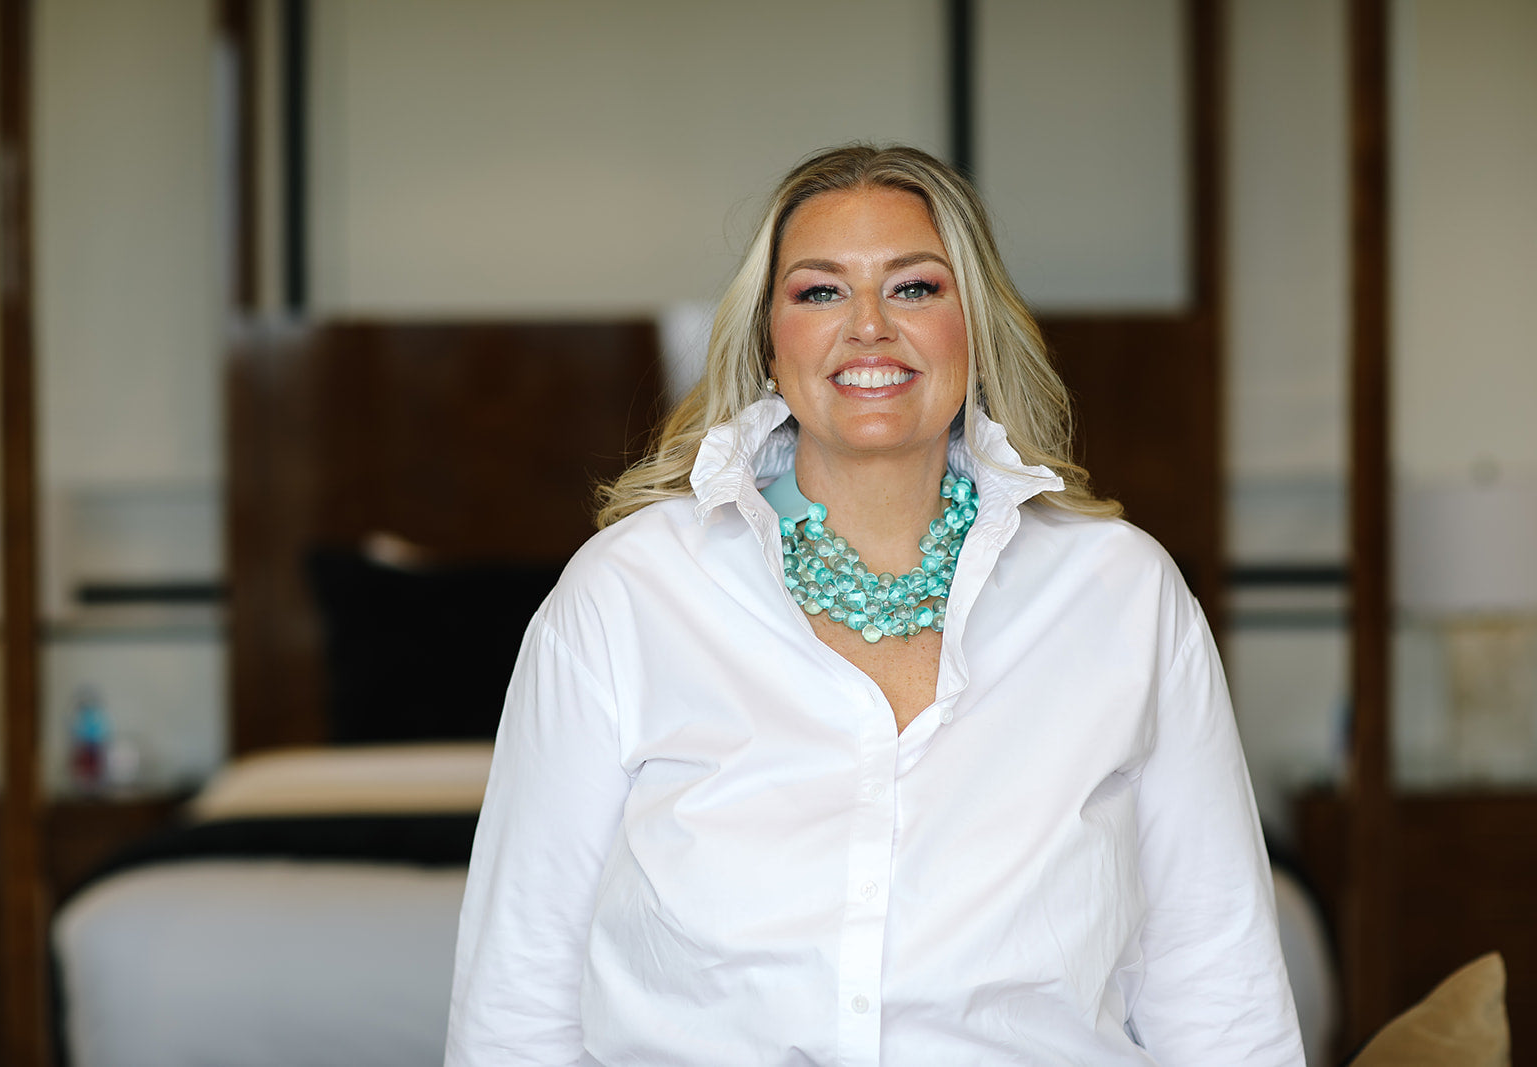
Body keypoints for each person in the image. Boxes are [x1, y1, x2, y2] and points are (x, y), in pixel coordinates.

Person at [445, 144, 1304, 1065]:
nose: (868, 328)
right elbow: (518, 993)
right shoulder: (628, 594)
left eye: (914, 288)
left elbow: (1219, 982)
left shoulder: (1123, 595)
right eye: (821, 292)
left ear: (974, 329)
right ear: (769, 343)